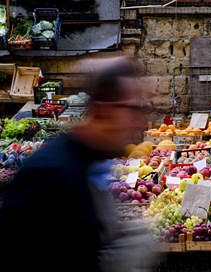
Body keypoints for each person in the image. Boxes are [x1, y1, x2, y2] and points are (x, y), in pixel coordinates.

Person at [0, 57, 158, 272]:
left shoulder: (91, 165)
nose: (138, 122)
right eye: (132, 109)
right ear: (104, 110)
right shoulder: (49, 176)